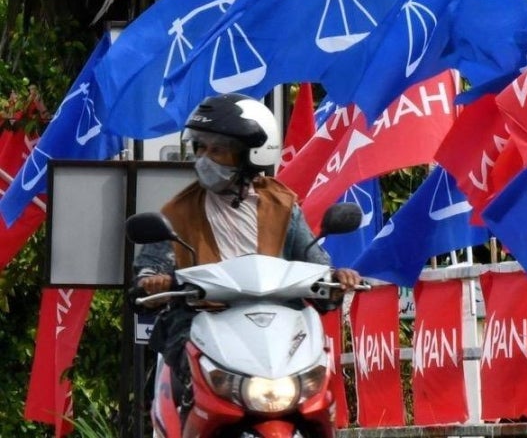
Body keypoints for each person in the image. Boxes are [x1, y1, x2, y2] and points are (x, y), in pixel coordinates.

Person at [133, 92, 361, 414]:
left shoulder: (282, 206)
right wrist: (151, 283)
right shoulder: (176, 212)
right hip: (204, 320)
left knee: (318, 395)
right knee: (187, 367)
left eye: (217, 150)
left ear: (250, 155)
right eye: (200, 148)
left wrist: (336, 278)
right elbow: (147, 271)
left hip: (278, 328)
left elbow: (317, 268)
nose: (204, 159)